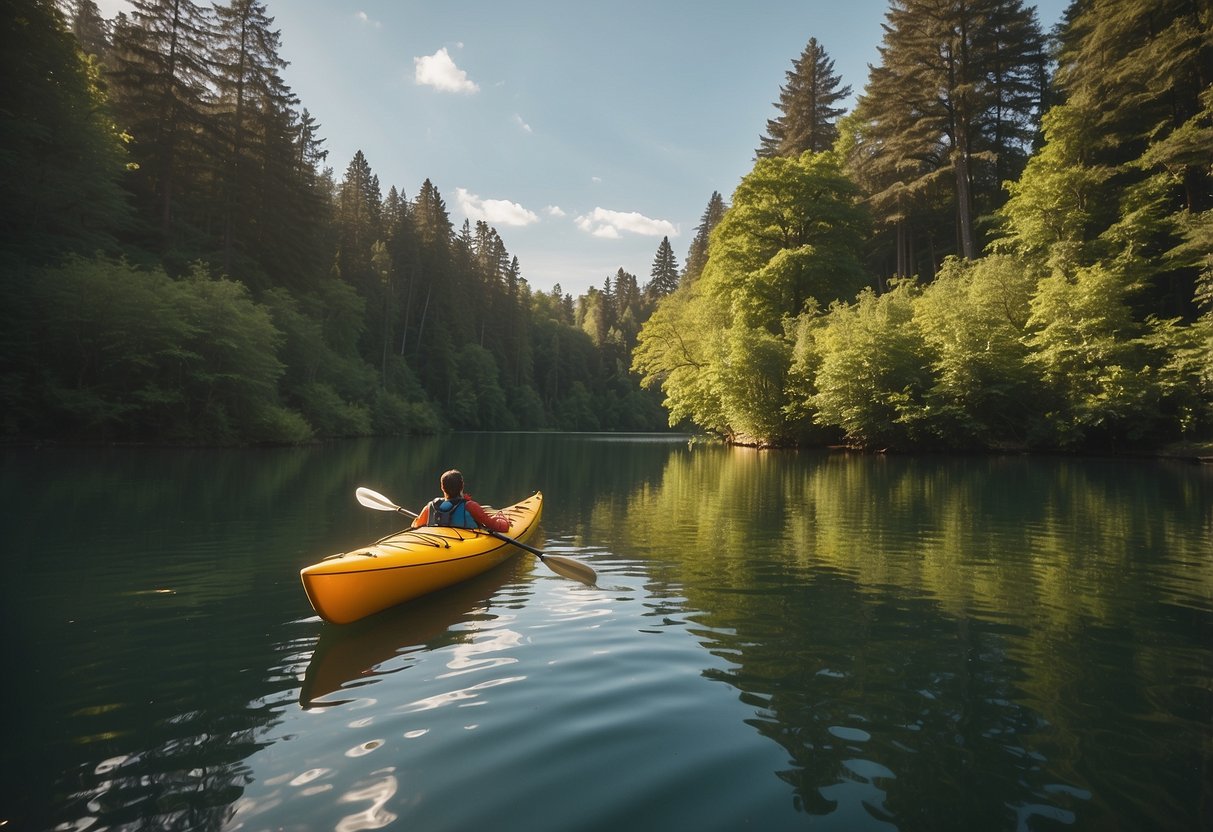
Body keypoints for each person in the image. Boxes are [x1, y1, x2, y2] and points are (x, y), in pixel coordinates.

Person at [412, 469, 510, 533]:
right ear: (462, 485)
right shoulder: (470, 506)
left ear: (442, 487)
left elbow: (415, 525)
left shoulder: (430, 507)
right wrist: (504, 520)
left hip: (440, 543)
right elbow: (500, 528)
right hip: (462, 546)